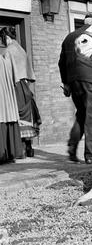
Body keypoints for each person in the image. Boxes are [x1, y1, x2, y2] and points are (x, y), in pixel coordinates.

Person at [58, 14, 92, 164]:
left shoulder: (69, 38)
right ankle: (91, 155)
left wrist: (66, 83)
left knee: (81, 114)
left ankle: (72, 147)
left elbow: (61, 63)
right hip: (91, 80)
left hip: (74, 82)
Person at [0, 27, 42, 157]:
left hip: (15, 86)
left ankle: (20, 150)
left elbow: (7, 73)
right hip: (25, 85)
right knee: (27, 116)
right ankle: (28, 148)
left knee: (15, 115)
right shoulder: (21, 49)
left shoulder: (8, 51)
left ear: (6, 37)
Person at [0, 30, 23, 163]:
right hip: (13, 88)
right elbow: (15, 75)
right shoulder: (15, 50)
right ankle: (12, 152)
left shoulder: (8, 51)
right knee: (8, 116)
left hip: (7, 90)